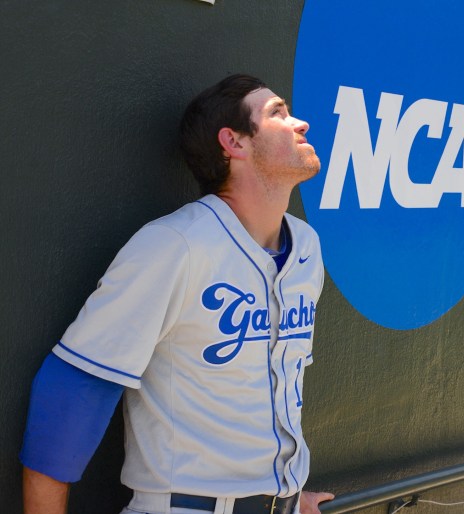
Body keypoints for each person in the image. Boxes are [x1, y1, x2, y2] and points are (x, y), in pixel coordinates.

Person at [20, 74, 335, 514]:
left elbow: (262, 393)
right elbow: (74, 389)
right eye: (277, 113)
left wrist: (285, 496)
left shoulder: (306, 246)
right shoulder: (176, 245)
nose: (299, 123)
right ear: (234, 143)